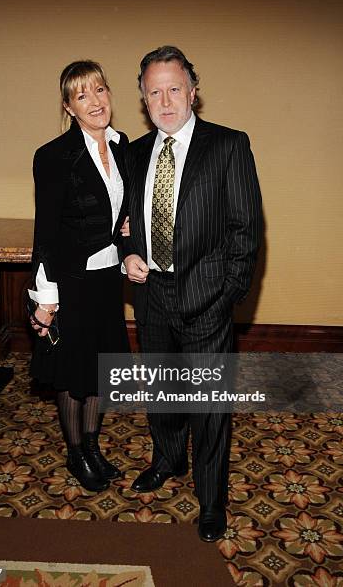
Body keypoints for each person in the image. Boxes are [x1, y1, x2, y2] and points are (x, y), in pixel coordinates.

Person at [123, 46, 262, 542]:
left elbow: (246, 231)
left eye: (174, 89)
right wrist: (127, 252)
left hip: (207, 300)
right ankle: (167, 460)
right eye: (154, 91)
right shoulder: (135, 153)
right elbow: (124, 223)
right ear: (143, 97)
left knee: (207, 406)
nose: (164, 101)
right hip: (151, 297)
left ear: (192, 91)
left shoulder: (228, 146)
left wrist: (227, 297)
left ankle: (211, 500)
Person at [29, 60, 130, 493]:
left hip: (108, 279)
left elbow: (126, 209)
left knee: (99, 369)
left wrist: (128, 235)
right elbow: (46, 232)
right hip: (71, 281)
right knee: (73, 373)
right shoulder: (53, 156)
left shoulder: (124, 145)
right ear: (69, 107)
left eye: (100, 90)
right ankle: (75, 454)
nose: (95, 101)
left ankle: (92, 446)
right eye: (82, 95)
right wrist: (46, 298)